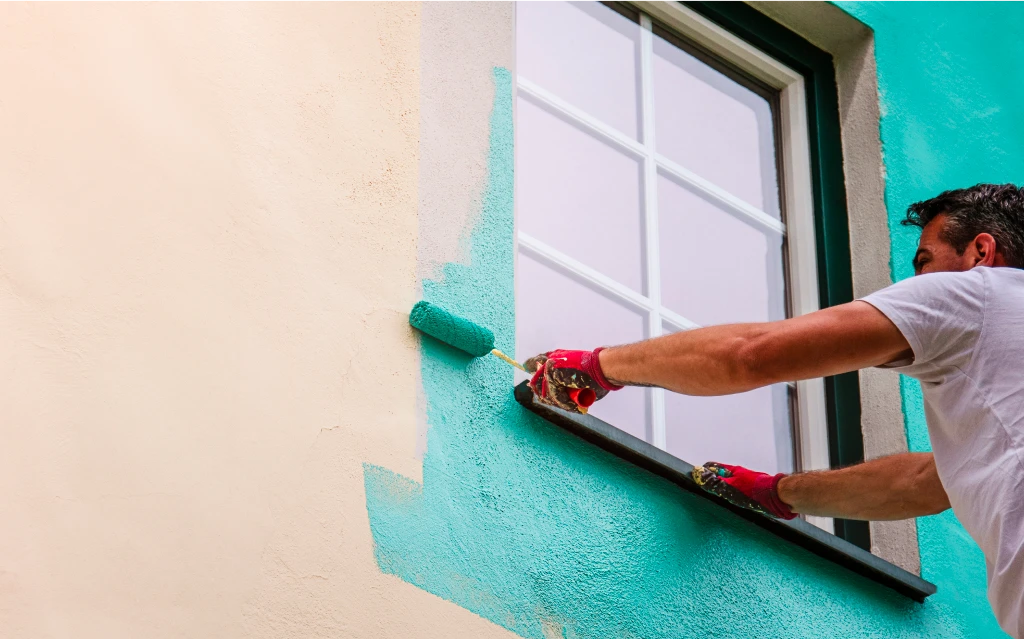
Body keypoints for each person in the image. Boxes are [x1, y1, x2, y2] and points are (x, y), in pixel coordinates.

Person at [525, 183, 1024, 637]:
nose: (917, 279)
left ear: (980, 252)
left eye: (923, 261)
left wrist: (599, 366)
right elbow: (923, 485)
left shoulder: (979, 293)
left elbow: (752, 354)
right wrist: (774, 493)